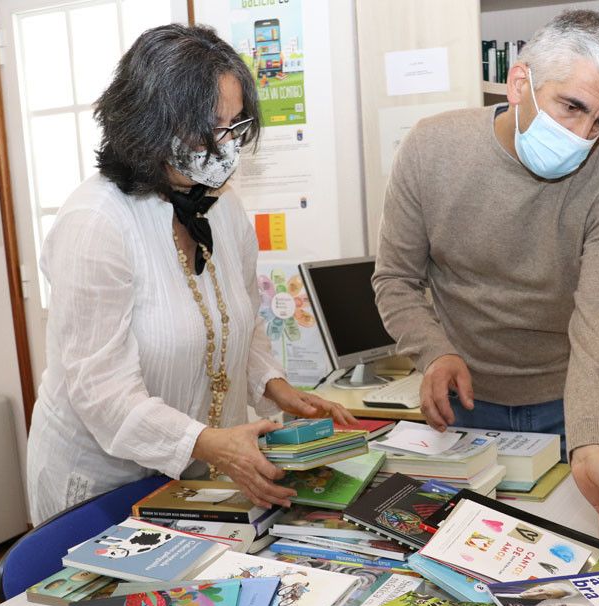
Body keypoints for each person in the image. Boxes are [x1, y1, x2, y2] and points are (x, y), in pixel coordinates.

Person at [25, 24, 353, 524]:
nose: (226, 146)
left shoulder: (221, 208)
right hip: (101, 481)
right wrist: (211, 444)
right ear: (149, 122)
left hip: (193, 468)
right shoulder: (95, 224)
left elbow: (243, 317)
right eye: (209, 127)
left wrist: (275, 387)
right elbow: (102, 391)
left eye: (234, 125)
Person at [372, 10, 599, 558]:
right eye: (572, 106)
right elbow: (396, 279)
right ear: (520, 81)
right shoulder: (432, 149)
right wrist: (433, 353)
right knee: (454, 558)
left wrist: (594, 441)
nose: (582, 137)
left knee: (552, 556)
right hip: (461, 401)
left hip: (565, 404)